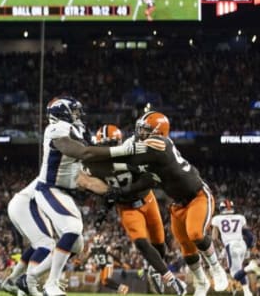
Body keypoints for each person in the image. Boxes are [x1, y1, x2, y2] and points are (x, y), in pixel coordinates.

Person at [33, 96, 147, 296]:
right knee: (73, 228)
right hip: (49, 188)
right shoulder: (56, 129)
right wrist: (121, 149)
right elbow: (84, 153)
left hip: (67, 189)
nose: (78, 115)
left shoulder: (77, 130)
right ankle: (51, 283)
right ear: (63, 113)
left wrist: (116, 192)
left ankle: (32, 276)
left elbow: (85, 178)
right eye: (74, 111)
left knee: (76, 244)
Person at [109, 111, 229, 296]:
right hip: (178, 205)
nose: (140, 132)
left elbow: (127, 154)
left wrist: (102, 156)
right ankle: (201, 282)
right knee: (186, 247)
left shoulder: (161, 144)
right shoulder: (149, 155)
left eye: (145, 129)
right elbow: (142, 178)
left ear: (158, 131)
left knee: (195, 232)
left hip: (197, 196)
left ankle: (216, 268)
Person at [85, 125, 186, 296]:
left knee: (160, 244)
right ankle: (170, 278)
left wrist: (122, 192)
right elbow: (109, 192)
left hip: (147, 200)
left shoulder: (132, 154)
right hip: (127, 208)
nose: (106, 150)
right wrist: (105, 209)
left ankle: (155, 270)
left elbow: (150, 180)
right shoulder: (96, 167)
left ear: (118, 142)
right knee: (140, 242)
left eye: (109, 144)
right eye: (103, 146)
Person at [211, 199, 250, 296]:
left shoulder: (217, 218)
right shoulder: (240, 217)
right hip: (242, 245)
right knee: (239, 269)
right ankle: (239, 291)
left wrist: (222, 247)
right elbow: (248, 234)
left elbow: (214, 238)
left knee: (235, 273)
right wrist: (248, 246)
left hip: (231, 246)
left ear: (221, 209)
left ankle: (246, 290)